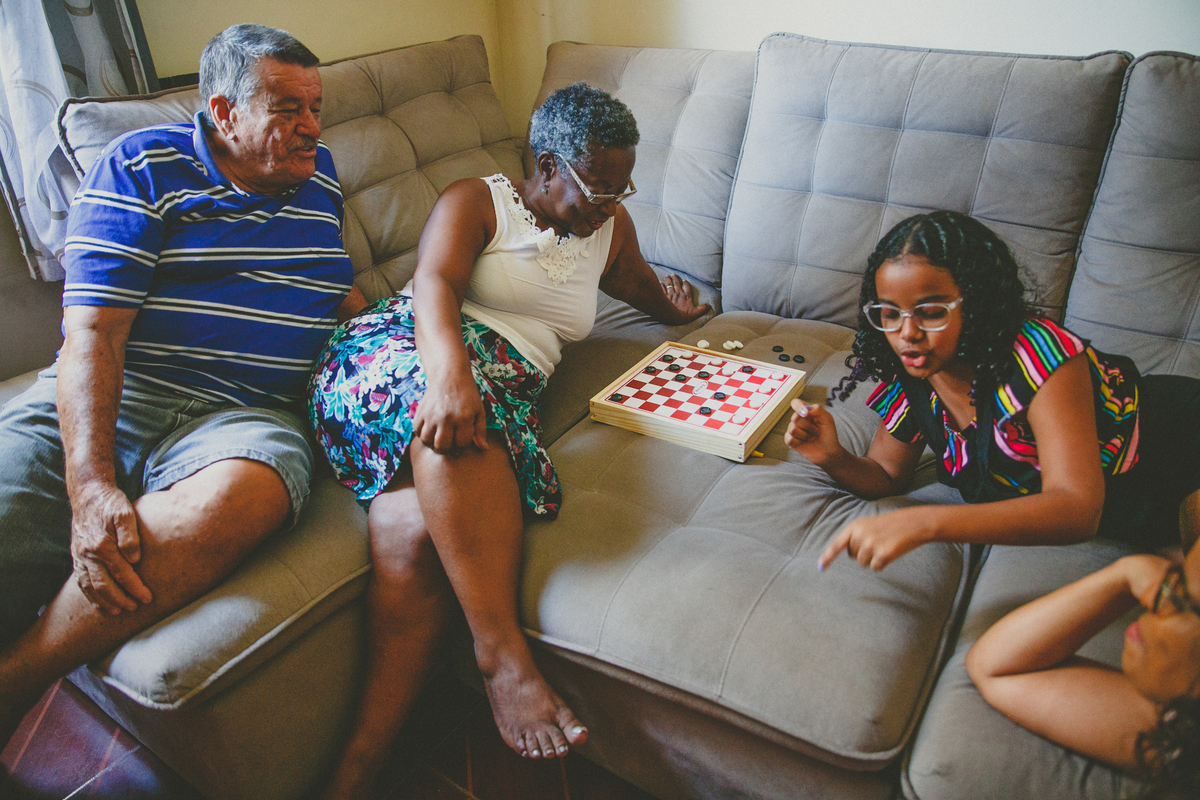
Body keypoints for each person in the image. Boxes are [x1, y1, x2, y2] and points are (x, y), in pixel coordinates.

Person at [308, 82, 710, 798]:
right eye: (597, 187)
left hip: (497, 385)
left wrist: (682, 310)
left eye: (622, 189)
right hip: (402, 354)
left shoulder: (609, 230)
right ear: (548, 165)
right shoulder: (476, 199)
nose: (609, 205)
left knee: (408, 532)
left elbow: (644, 288)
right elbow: (432, 284)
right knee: (455, 424)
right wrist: (449, 375)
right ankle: (502, 658)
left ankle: (353, 773)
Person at [0, 23, 363, 751]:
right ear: (223, 112)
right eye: (288, 109)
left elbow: (331, 282)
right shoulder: (141, 165)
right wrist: (91, 484)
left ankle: (11, 686)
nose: (312, 128)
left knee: (242, 498)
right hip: (125, 389)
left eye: (317, 106)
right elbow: (93, 335)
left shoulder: (318, 172)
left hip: (247, 414)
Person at [784, 210, 1200, 571]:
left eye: (930, 313)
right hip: (1137, 513)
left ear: (975, 303)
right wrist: (833, 457)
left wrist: (924, 523)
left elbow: (1077, 506)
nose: (907, 333)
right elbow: (887, 474)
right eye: (889, 314)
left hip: (1182, 446)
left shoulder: (1041, 358)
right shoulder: (912, 375)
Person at [966, 543, 1200, 797]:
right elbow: (994, 668)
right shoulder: (1185, 730)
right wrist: (1126, 572)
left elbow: (998, 670)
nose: (1153, 596)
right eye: (1175, 576)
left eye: (1181, 598)